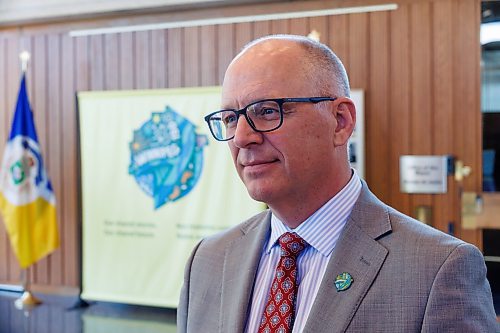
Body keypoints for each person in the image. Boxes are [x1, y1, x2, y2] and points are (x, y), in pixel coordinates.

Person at [177, 34, 497, 332]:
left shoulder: (437, 270)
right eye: (231, 118)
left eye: (266, 111)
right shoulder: (208, 260)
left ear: (340, 122)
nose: (243, 138)